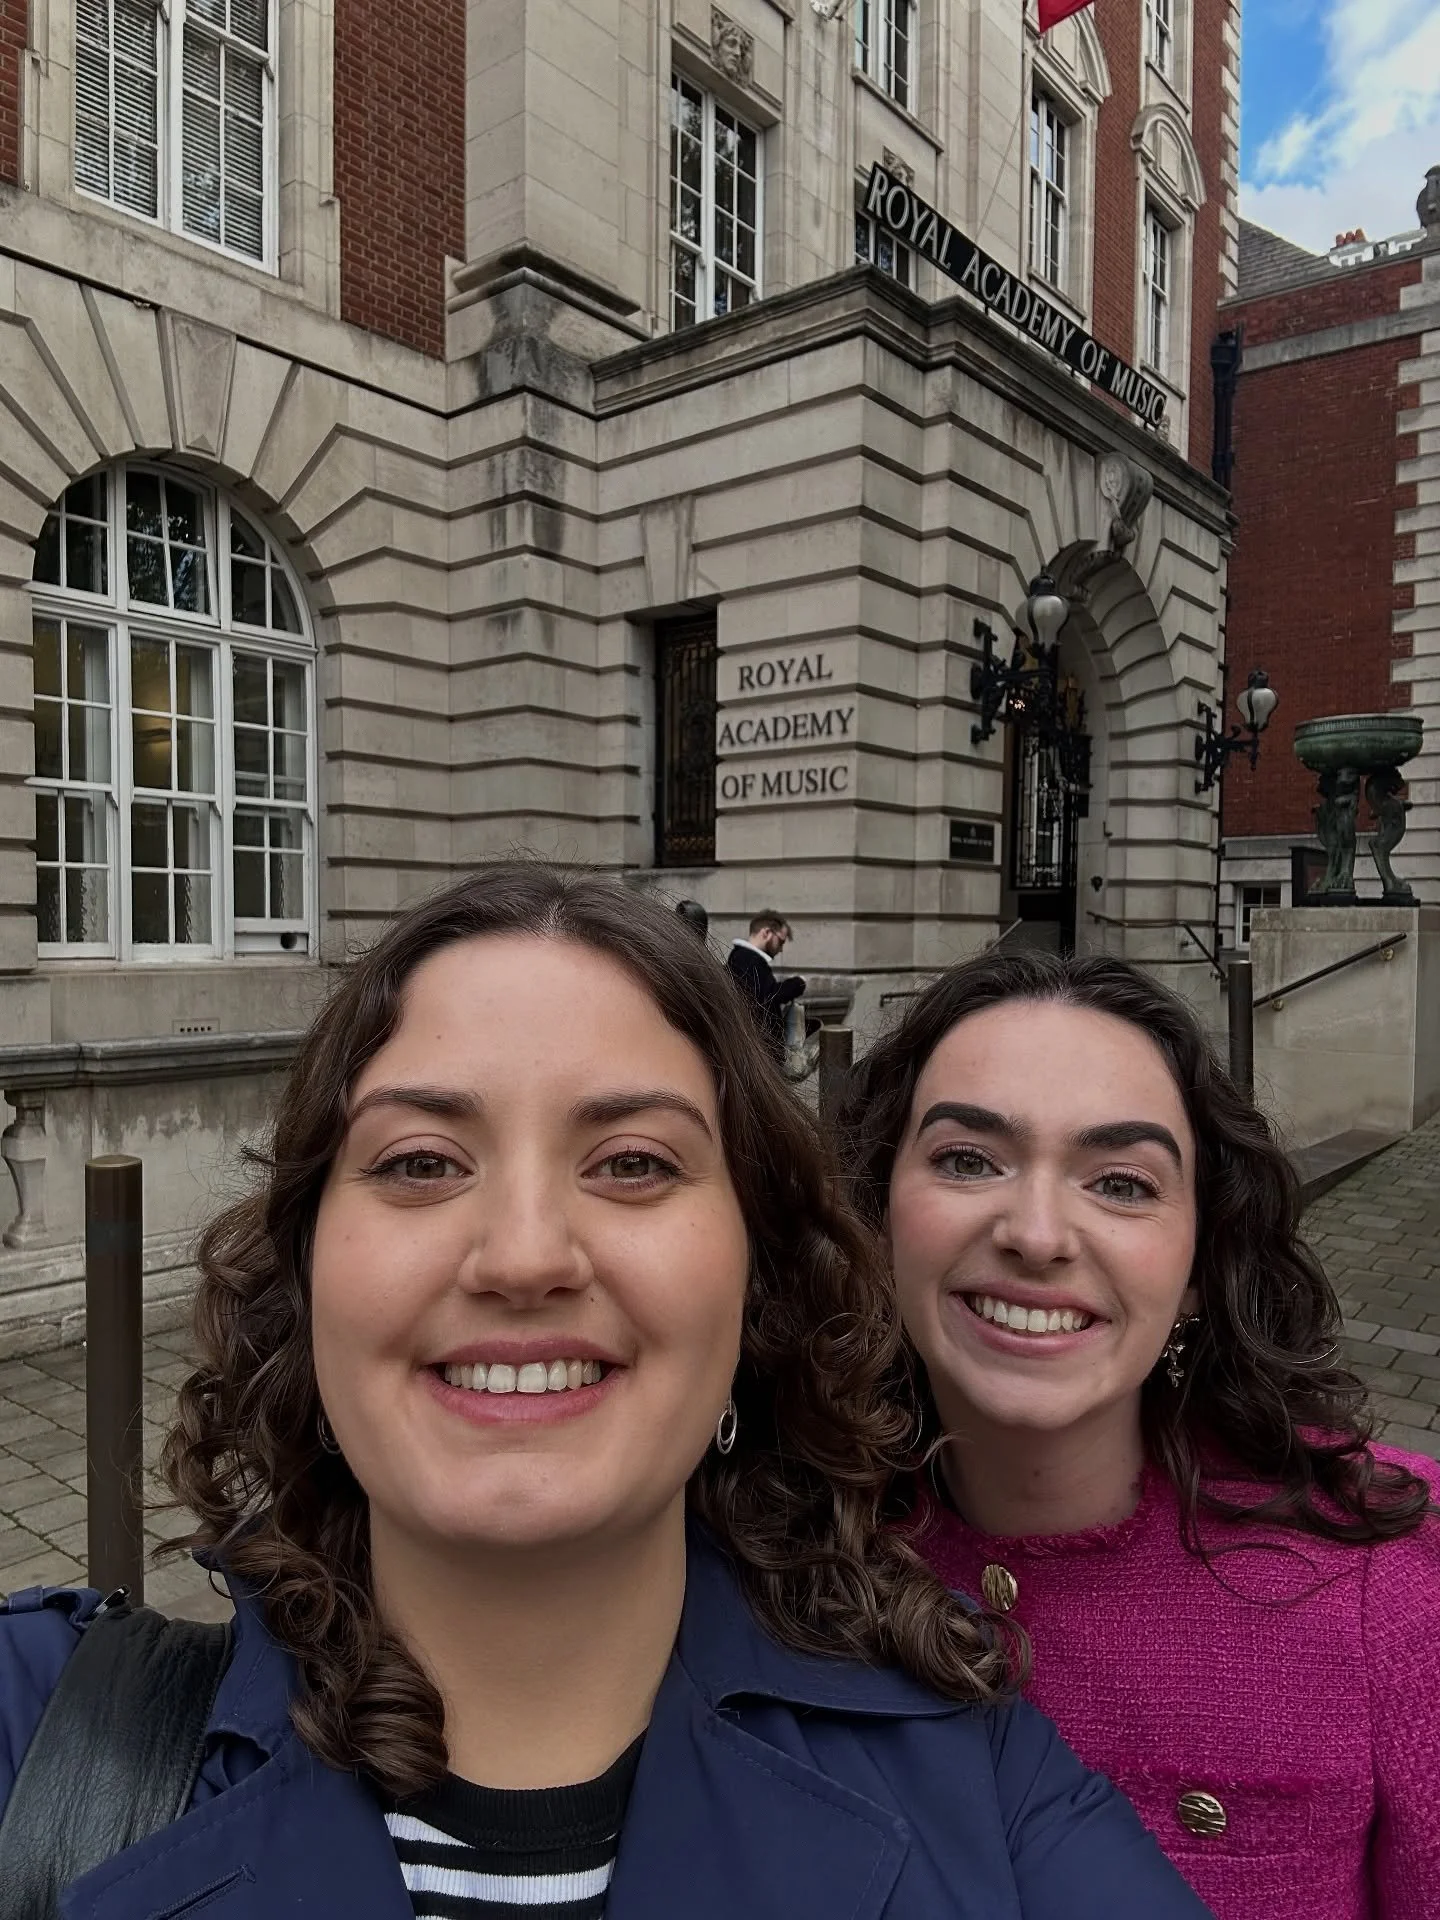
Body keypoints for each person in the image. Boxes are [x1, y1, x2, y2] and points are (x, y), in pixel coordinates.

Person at [0, 870, 1210, 1920]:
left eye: (633, 1163)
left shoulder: (981, 1785)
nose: (525, 1255)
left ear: (757, 1287)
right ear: (307, 1272)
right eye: (421, 1162)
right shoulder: (39, 1730)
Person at [839, 948, 1440, 1920]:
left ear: (1199, 1264)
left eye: (1120, 1183)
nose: (1037, 1234)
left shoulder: (1395, 1579)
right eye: (967, 1160)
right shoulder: (781, 1550)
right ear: (878, 1217)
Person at [725, 910, 807, 1055]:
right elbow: (769, 995)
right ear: (767, 933)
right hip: (757, 1051)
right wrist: (798, 983)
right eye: (781, 941)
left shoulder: (743, 957)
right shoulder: (748, 960)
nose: (781, 949)